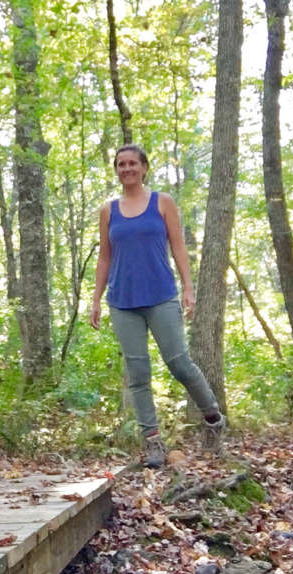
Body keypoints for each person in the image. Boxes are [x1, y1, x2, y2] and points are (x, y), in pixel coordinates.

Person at [90, 143, 225, 468]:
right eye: (121, 164)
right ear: (117, 170)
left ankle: (214, 420)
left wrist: (188, 287)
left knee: (179, 362)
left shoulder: (162, 203)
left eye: (132, 163)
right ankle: (152, 442)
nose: (126, 169)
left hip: (161, 295)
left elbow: (179, 247)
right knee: (137, 372)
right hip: (123, 301)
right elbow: (105, 257)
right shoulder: (109, 210)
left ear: (144, 167)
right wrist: (95, 298)